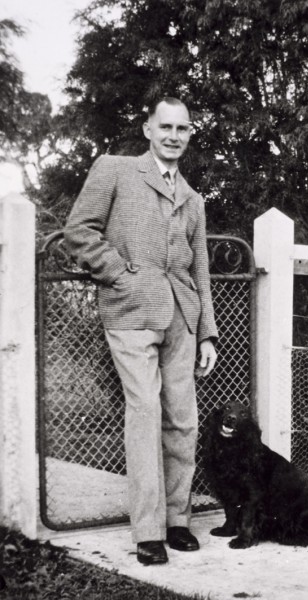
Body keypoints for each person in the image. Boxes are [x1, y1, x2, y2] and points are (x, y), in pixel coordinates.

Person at [64, 97, 218, 565]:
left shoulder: (192, 197)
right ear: (148, 128)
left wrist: (207, 332)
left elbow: (202, 269)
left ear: (190, 134)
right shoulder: (114, 169)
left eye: (183, 128)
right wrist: (120, 273)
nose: (174, 136)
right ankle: (147, 531)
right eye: (165, 126)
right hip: (130, 312)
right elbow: (79, 231)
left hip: (181, 319)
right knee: (146, 412)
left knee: (182, 421)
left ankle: (177, 521)